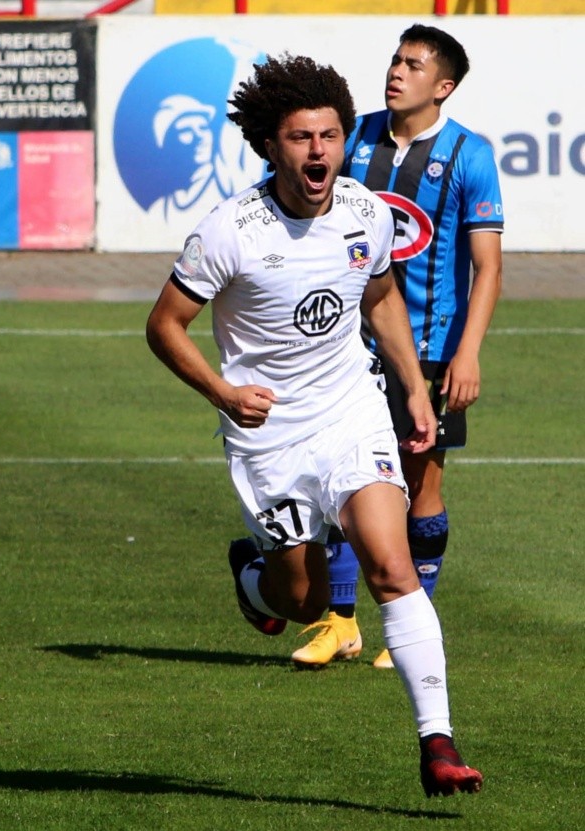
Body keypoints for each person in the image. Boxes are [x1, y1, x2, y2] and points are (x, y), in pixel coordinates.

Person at [146, 52, 483, 798]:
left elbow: (383, 298)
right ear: (274, 145)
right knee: (300, 598)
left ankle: (438, 741)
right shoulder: (229, 230)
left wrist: (413, 391)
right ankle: (253, 579)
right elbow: (165, 325)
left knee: (391, 567)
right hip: (268, 435)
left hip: (349, 411)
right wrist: (222, 391)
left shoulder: (365, 211)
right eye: (301, 138)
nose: (319, 151)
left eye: (329, 135)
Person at [290, 25, 504, 670]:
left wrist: (467, 354)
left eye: (414, 65)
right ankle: (341, 622)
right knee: (339, 481)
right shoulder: (353, 137)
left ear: (443, 86)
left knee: (419, 483)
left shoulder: (469, 153)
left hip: (433, 348)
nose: (397, 71)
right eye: (395, 60)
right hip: (343, 344)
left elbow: (487, 267)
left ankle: (413, 625)